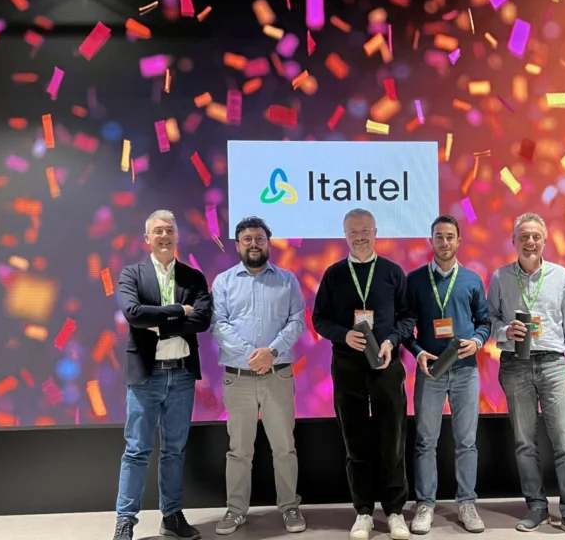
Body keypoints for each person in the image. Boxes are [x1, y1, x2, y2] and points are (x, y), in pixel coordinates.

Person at [487, 212, 565, 540]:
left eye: (536, 236)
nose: (530, 242)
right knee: (524, 443)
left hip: (552, 364)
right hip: (515, 364)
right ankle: (536, 506)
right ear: (513, 241)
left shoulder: (560, 276)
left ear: (544, 241)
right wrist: (505, 331)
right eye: (524, 237)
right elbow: (490, 322)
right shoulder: (500, 277)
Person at [311, 208, 417, 540]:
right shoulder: (333, 274)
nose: (359, 237)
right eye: (353, 232)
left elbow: (408, 317)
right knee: (354, 442)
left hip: (386, 366)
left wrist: (391, 341)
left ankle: (395, 510)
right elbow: (319, 319)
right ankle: (364, 511)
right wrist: (343, 335)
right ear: (345, 235)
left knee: (393, 440)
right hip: (347, 368)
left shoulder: (392, 271)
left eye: (365, 231)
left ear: (375, 232)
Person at [114, 209, 211, 540]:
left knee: (174, 451)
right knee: (137, 450)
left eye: (170, 230)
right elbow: (134, 314)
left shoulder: (193, 277)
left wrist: (162, 326)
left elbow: (202, 320)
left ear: (177, 236)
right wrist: (178, 311)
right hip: (146, 376)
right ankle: (125, 520)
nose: (164, 236)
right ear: (147, 238)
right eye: (158, 231)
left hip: (181, 375)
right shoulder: (132, 274)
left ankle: (171, 516)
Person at [210, 216, 307, 535]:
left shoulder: (287, 280)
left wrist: (272, 353)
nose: (254, 244)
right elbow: (218, 324)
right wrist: (253, 356)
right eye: (247, 239)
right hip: (238, 377)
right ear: (238, 245)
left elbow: (297, 321)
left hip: (277, 375)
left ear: (268, 242)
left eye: (259, 239)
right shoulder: (223, 282)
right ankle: (236, 510)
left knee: (284, 447)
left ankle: (289, 507)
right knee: (239, 450)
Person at [404, 215, 491, 534]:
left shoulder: (472, 279)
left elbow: (485, 322)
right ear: (431, 241)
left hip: (466, 371)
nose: (444, 242)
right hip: (431, 372)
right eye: (438, 237)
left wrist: (477, 341)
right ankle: (425, 505)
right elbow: (405, 327)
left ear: (459, 241)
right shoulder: (414, 280)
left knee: (467, 442)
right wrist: (417, 352)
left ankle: (466, 502)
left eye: (449, 237)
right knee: (425, 441)